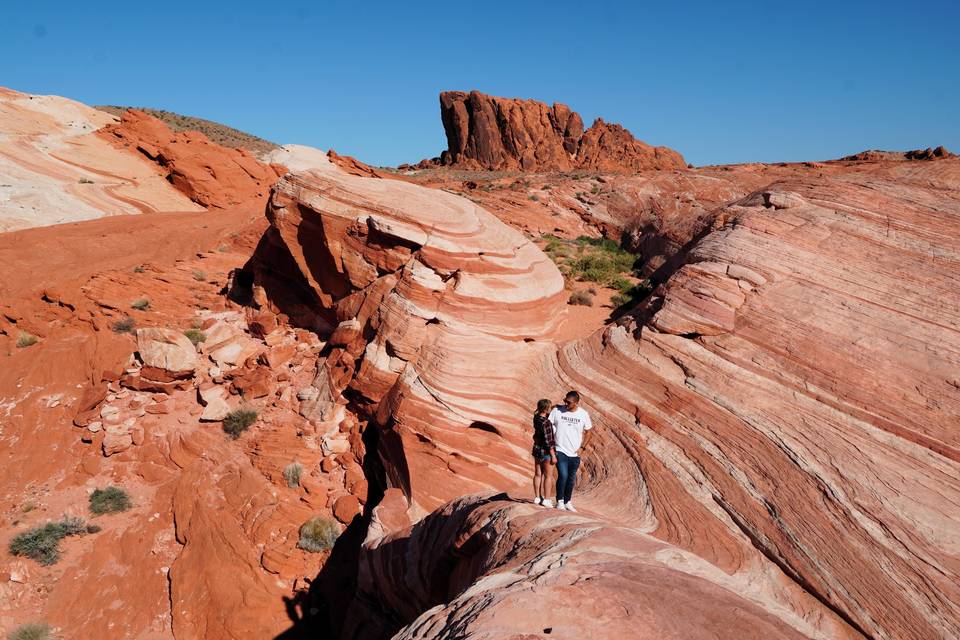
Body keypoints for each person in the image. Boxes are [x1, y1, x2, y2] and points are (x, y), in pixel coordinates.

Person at [548, 390, 592, 512]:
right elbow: (548, 425)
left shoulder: (583, 414)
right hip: (560, 449)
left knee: (571, 478)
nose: (566, 404)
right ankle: (560, 501)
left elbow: (589, 431)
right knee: (563, 475)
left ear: (576, 403)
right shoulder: (557, 411)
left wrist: (582, 448)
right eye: (565, 401)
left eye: (569, 402)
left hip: (574, 452)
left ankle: (568, 501)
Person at [531, 398, 557, 507]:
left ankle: (537, 497)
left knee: (538, 474)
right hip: (546, 452)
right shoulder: (547, 423)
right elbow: (549, 441)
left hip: (537, 449)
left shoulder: (536, 418)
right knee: (548, 476)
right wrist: (553, 455)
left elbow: (537, 435)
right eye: (549, 407)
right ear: (546, 409)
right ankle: (546, 499)